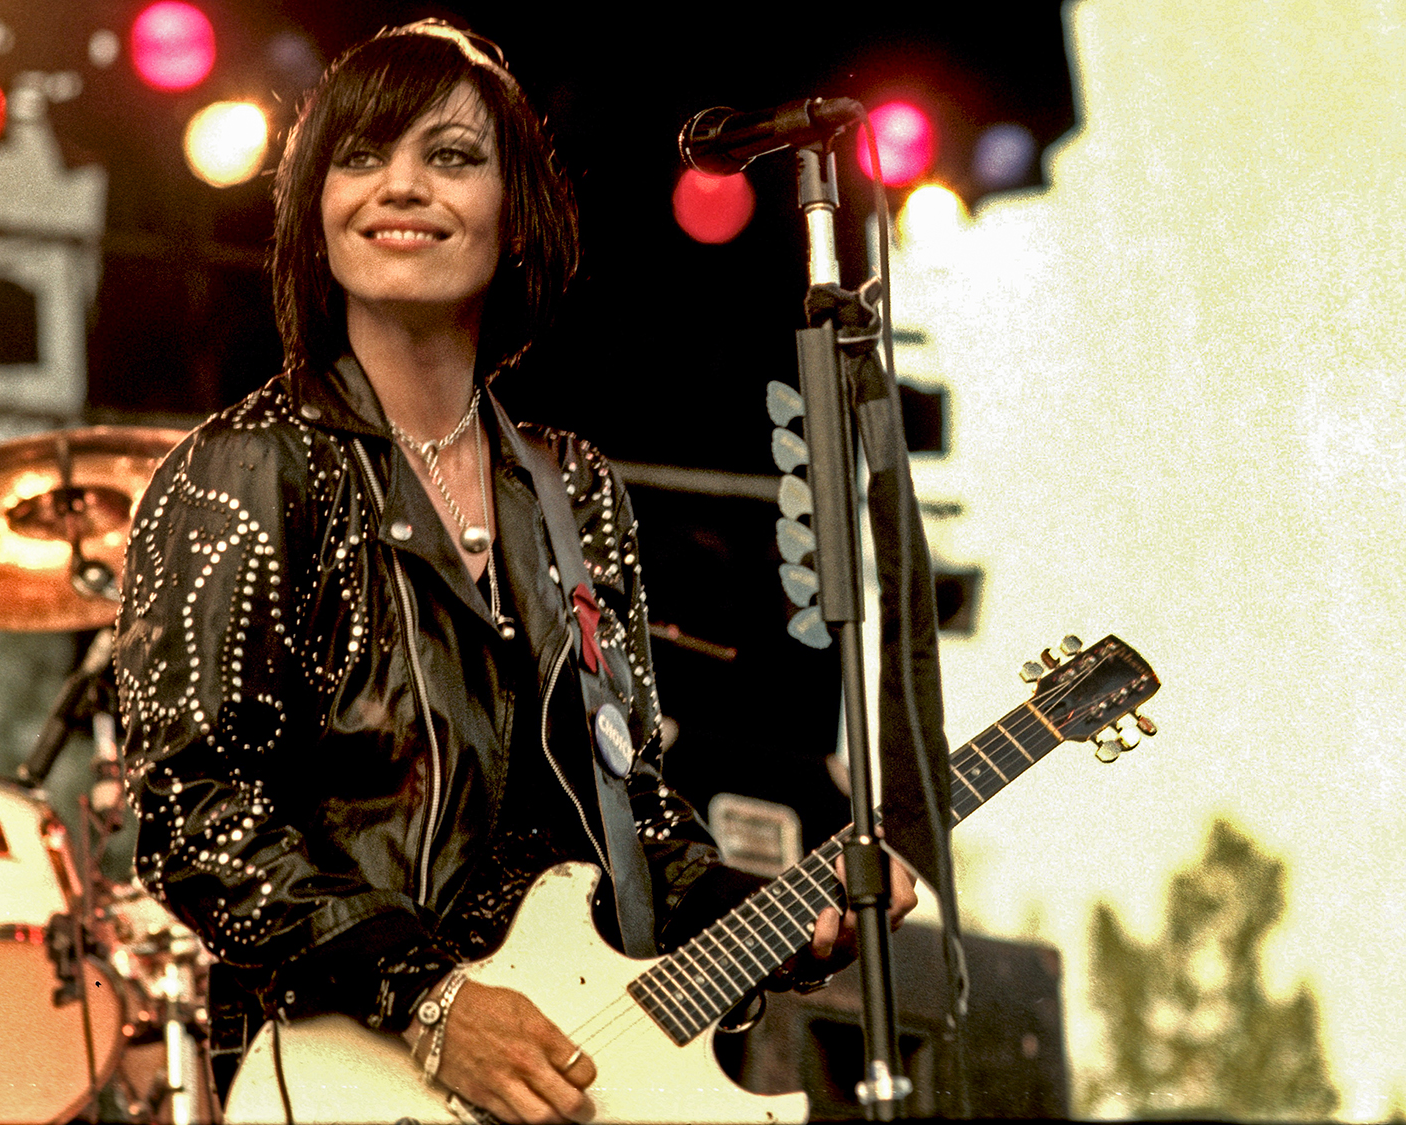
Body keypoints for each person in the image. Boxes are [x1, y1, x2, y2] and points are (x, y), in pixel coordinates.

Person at [113, 21, 915, 1124]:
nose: (400, 186)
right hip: (344, 1072)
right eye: (360, 156)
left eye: (449, 156)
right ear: (312, 210)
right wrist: (428, 998)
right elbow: (192, 809)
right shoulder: (244, 469)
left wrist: (772, 908)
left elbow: (642, 828)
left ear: (515, 209)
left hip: (562, 1082)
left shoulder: (571, 493)